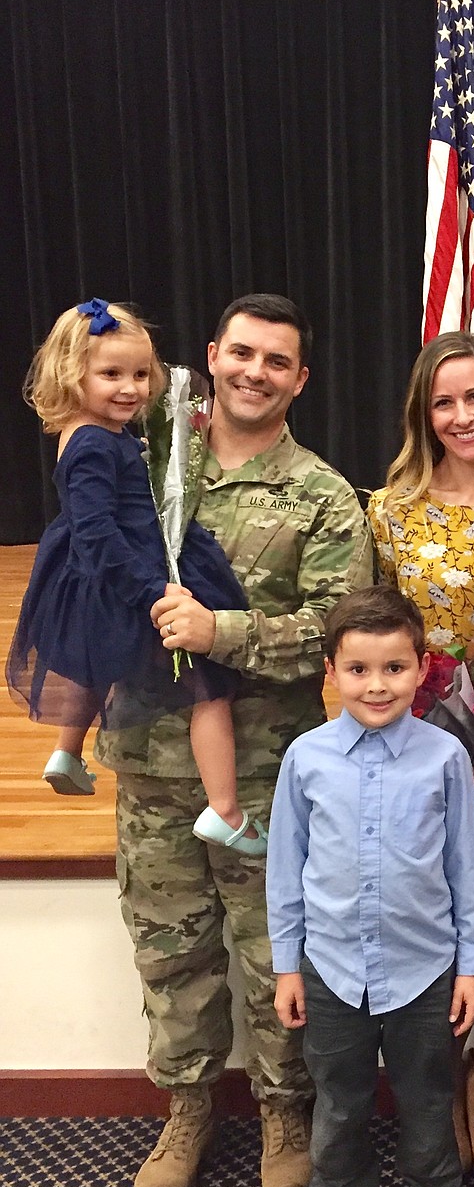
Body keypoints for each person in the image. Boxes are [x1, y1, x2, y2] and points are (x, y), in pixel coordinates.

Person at [95, 293, 374, 1187]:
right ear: (212, 356)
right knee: (170, 950)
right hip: (151, 758)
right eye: (242, 353)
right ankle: (186, 1106)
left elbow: (338, 635)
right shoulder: (146, 460)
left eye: (276, 361)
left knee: (272, 952)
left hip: (268, 771)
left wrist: (225, 633)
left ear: (301, 379)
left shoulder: (324, 497)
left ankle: (283, 1110)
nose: (255, 372)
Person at [267, 587, 474, 1187]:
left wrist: (472, 967)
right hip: (331, 971)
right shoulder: (305, 759)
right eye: (359, 669)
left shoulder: (445, 756)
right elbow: (286, 866)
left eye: (394, 667)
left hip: (425, 972)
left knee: (428, 1103)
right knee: (340, 1105)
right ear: (332, 670)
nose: (377, 684)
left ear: (422, 669)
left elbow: (467, 868)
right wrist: (286, 965)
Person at [7, 299, 262, 850]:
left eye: (141, 374)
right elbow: (97, 531)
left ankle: (67, 750)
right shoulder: (94, 442)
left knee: (93, 657)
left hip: (103, 565)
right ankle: (226, 810)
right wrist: (154, 591)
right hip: (128, 567)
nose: (131, 388)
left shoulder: (93, 432)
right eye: (111, 374)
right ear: (72, 376)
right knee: (211, 687)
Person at [367, 333, 474, 1176]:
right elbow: (372, 641)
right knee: (433, 920)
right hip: (420, 748)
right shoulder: (389, 509)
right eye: (444, 402)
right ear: (422, 415)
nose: (462, 416)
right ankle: (441, 1088)